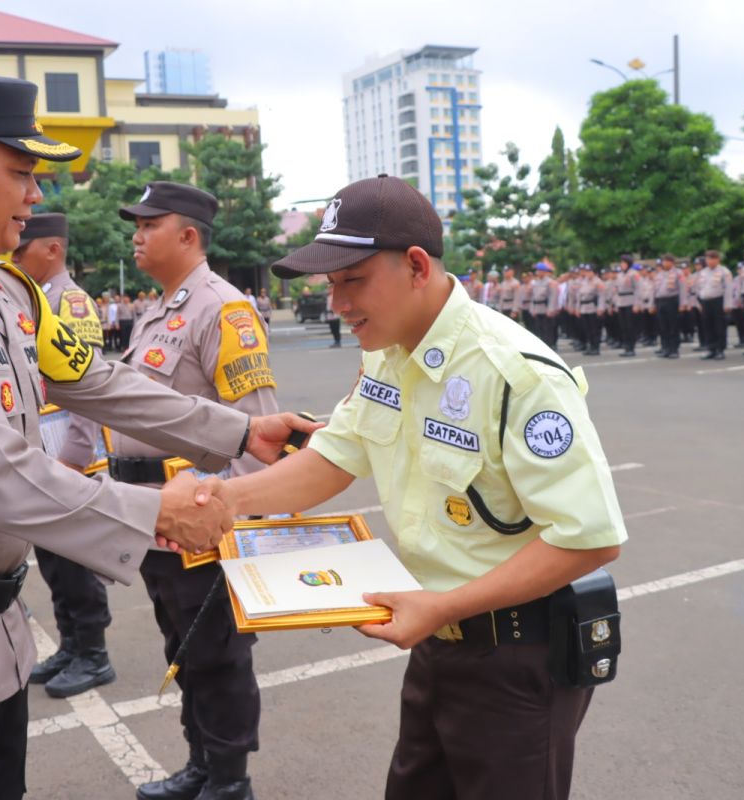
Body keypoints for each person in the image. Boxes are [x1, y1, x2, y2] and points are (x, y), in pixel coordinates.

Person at [0, 75, 318, 799]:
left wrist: (240, 429)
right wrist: (156, 512)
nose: (36, 197)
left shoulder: (0, 290)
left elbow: (92, 382)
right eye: (20, 173)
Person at [208, 175, 626, 800]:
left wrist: (444, 608)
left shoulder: (513, 372)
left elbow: (589, 539)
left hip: (518, 655)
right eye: (330, 285)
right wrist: (228, 502)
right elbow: (337, 454)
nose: (338, 303)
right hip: (436, 639)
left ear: (415, 266)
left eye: (353, 280)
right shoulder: (388, 352)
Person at [116, 181, 278, 800]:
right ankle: (202, 765)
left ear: (187, 235)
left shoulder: (222, 309)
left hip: (200, 519)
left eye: (148, 224)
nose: (136, 233)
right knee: (182, 646)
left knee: (217, 654)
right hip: (158, 516)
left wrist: (225, 522)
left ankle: (230, 779)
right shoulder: (160, 309)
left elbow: (256, 428)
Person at [11, 212, 116, 698]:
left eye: (22, 250)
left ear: (51, 250)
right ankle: (72, 645)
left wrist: (73, 459)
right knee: (53, 560)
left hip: (68, 453)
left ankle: (93, 654)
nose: (13, 257)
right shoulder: (32, 301)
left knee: (74, 557)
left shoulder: (68, 303)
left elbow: (87, 391)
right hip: (44, 452)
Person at [696, 250, 733, 360]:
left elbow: (728, 289)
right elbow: (699, 288)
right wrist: (700, 303)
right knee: (707, 326)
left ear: (718, 259)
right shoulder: (703, 272)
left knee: (719, 326)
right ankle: (710, 349)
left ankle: (720, 349)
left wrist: (727, 304)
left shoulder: (724, 272)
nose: (710, 261)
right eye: (708, 259)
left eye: (712, 258)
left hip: (718, 301)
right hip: (706, 302)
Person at [654, 254, 688, 359]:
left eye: (666, 261)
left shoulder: (678, 273)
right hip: (660, 301)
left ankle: (674, 349)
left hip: (672, 300)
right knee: (663, 327)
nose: (664, 263)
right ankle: (665, 348)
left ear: (671, 262)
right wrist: (653, 304)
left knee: (673, 326)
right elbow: (654, 290)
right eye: (663, 261)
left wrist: (683, 303)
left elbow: (683, 289)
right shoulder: (659, 274)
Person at [613, 257, 639, 357]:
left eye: (623, 262)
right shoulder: (619, 275)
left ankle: (631, 348)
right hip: (621, 302)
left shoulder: (634, 274)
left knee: (630, 326)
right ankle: (626, 347)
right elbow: (616, 290)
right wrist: (616, 303)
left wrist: (637, 304)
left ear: (628, 263)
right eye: (621, 262)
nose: (622, 264)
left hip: (630, 302)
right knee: (623, 327)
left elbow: (638, 289)